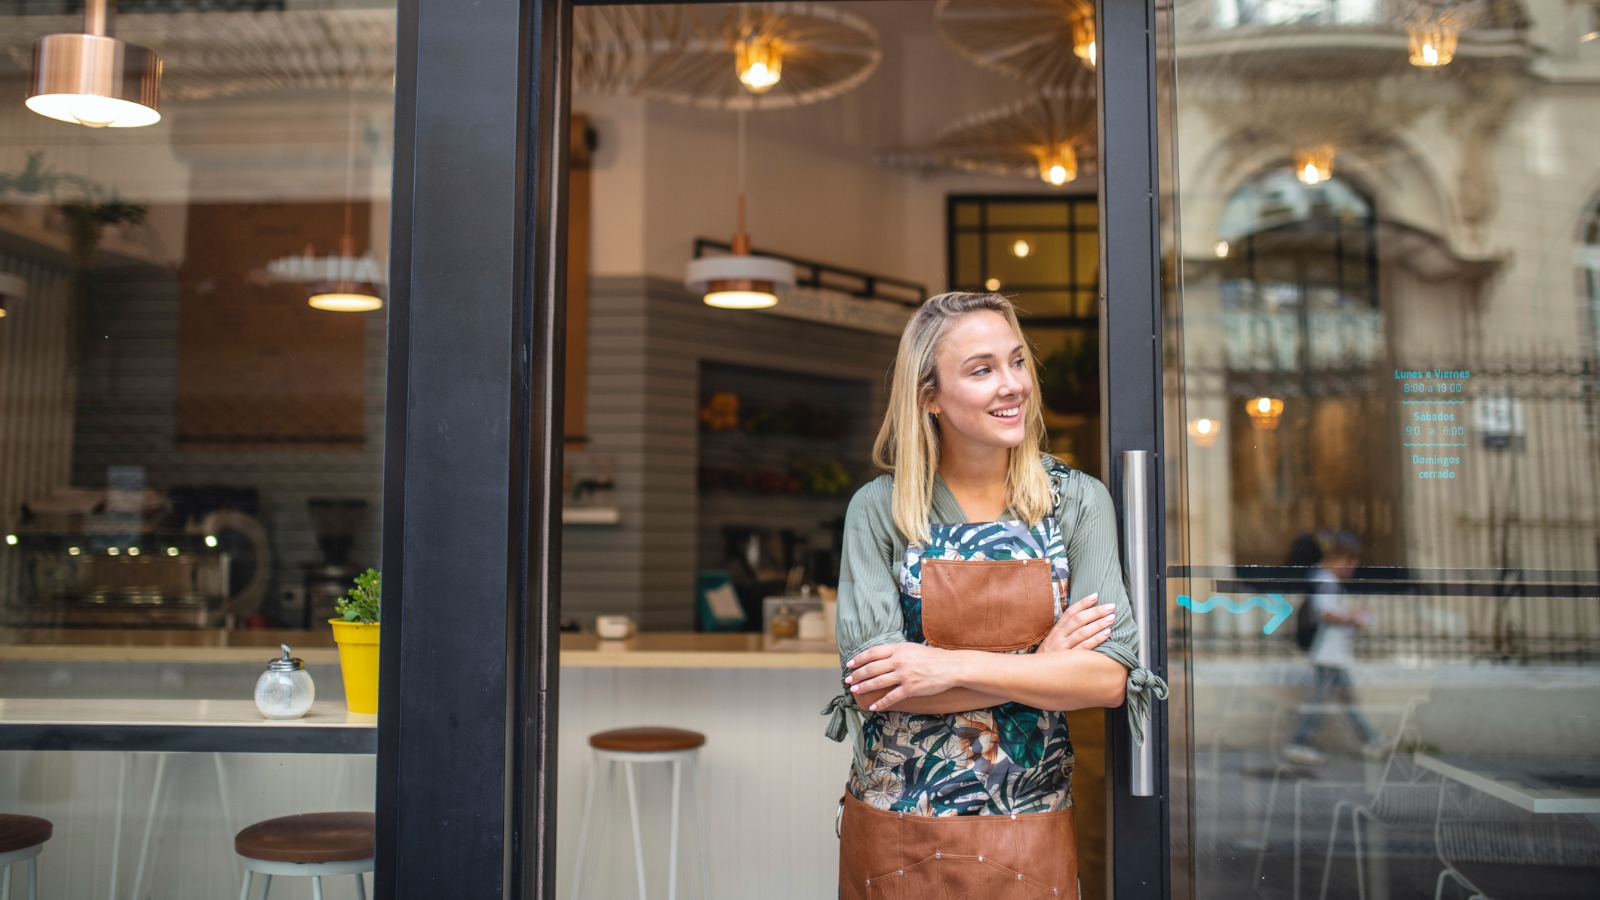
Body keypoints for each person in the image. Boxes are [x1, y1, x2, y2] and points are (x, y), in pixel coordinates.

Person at [821, 292, 1166, 899]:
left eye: (1017, 362)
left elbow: (1110, 679)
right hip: (898, 825)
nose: (1012, 385)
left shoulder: (1076, 502)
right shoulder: (879, 511)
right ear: (928, 397)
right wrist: (1044, 667)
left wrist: (944, 667)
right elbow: (878, 688)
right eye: (981, 370)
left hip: (1028, 821)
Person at [1281, 531, 1382, 766]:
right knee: (1319, 701)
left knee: (1344, 699)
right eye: (1350, 563)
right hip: (1327, 652)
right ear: (1339, 560)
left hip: (1332, 652)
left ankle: (1371, 739)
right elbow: (1324, 614)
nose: (1353, 568)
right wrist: (1353, 618)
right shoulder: (1325, 580)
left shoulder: (1325, 580)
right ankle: (1299, 743)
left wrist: (1351, 616)